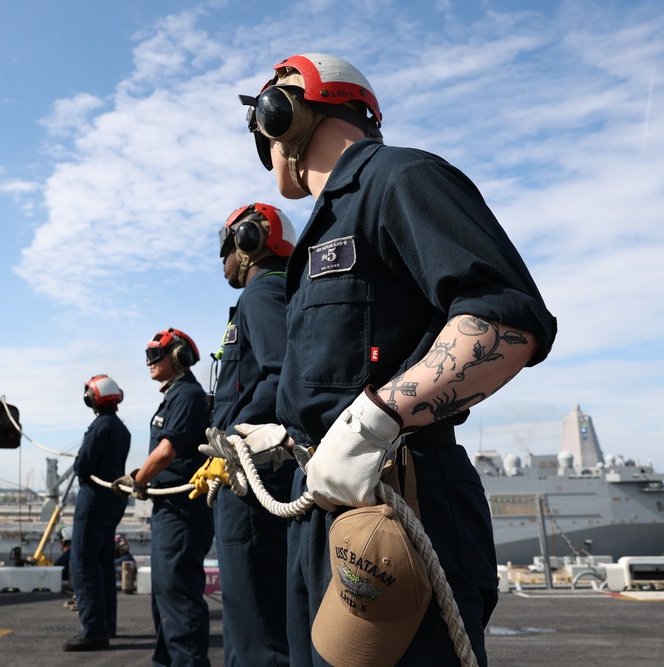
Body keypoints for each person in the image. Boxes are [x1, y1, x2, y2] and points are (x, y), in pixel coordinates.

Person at [230, 53, 557, 666]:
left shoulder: (401, 180)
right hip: (326, 511)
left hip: (401, 504)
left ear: (283, 112)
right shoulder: (320, 235)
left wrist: (378, 417)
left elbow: (507, 320)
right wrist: (292, 431)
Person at [208, 202, 298, 667]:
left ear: (248, 240)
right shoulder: (276, 291)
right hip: (258, 470)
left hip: (251, 474)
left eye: (225, 245)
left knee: (254, 623)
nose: (221, 257)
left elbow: (279, 372)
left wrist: (233, 438)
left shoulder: (261, 294)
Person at [113, 328, 214, 667]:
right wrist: (140, 479)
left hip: (183, 511)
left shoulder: (187, 396)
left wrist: (139, 479)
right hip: (168, 508)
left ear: (179, 357)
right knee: (165, 595)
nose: (148, 362)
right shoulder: (174, 396)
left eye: (155, 354)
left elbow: (167, 452)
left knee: (178, 594)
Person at [63, 374, 131, 652]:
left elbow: (83, 468)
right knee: (103, 563)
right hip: (114, 499)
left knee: (83, 564)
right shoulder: (121, 428)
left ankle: (93, 630)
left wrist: (81, 460)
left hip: (93, 500)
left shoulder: (99, 426)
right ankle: (107, 625)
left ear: (93, 397)